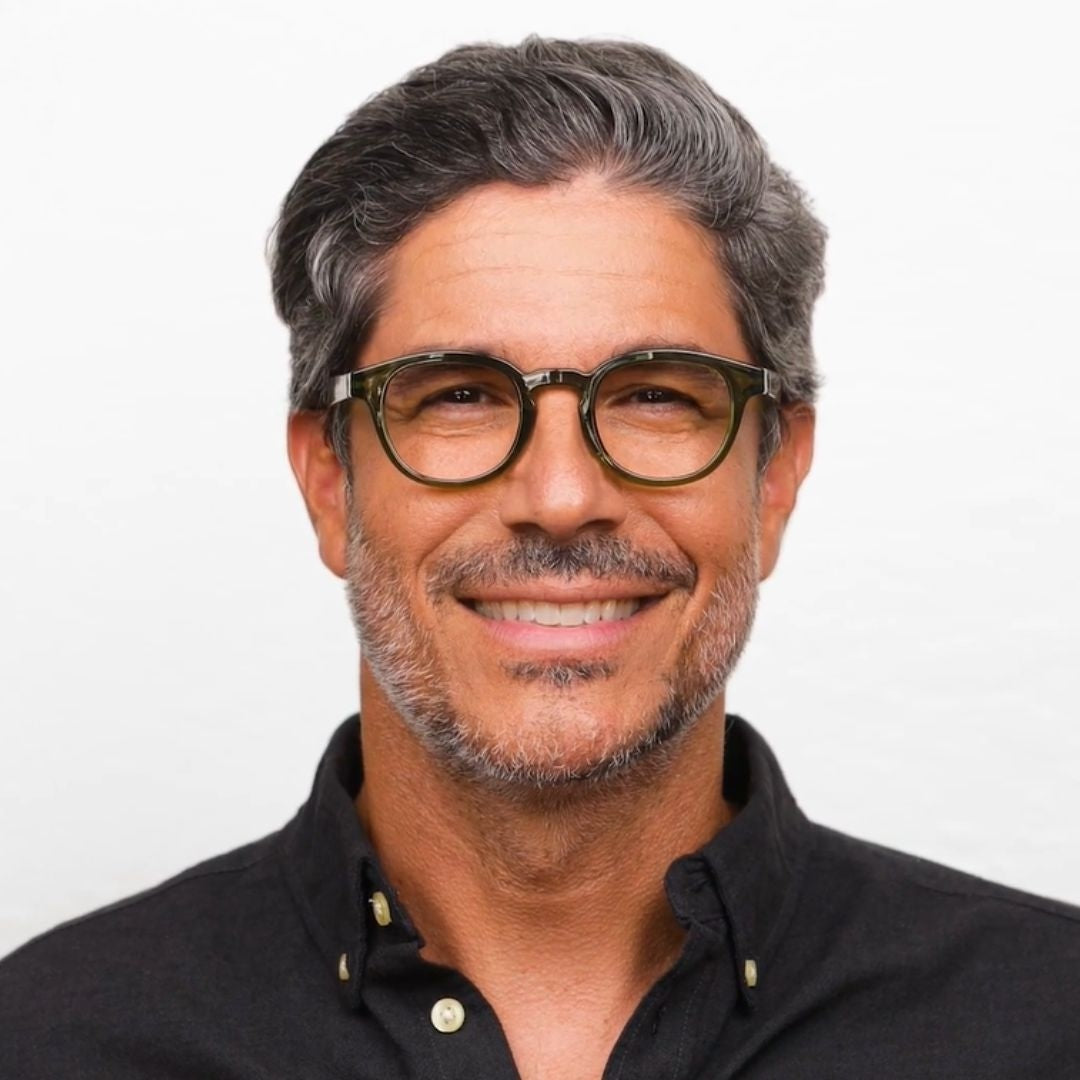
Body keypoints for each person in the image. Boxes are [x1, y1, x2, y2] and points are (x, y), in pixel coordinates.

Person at [1, 35, 1077, 1080]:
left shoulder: (1050, 1024)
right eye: (459, 396)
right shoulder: (48, 1042)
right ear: (329, 482)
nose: (561, 498)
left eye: (656, 395)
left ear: (775, 478)